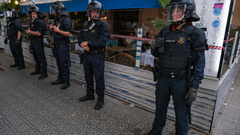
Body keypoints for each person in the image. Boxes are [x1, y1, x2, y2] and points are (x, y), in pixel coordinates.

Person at [145, 0, 208, 135]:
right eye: (172, 10)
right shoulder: (165, 31)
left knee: (181, 113)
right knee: (160, 109)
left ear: (187, 12)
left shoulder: (195, 34)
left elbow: (199, 63)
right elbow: (156, 54)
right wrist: (153, 46)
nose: (173, 14)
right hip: (163, 79)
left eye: (177, 10)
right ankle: (156, 131)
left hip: (181, 81)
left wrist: (194, 87)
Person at [78, 1, 110, 110]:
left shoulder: (103, 25)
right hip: (86, 55)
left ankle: (100, 99)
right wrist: (83, 45)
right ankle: (89, 95)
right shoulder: (86, 24)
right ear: (89, 12)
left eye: (97, 12)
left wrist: (88, 43)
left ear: (100, 13)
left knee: (99, 79)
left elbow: (102, 42)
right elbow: (80, 38)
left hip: (97, 57)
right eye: (93, 12)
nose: (95, 14)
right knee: (88, 77)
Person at [49, 1, 74, 89]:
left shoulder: (66, 20)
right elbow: (56, 31)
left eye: (54, 10)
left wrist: (58, 31)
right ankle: (60, 78)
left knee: (64, 64)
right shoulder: (57, 19)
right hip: (56, 45)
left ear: (58, 10)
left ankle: (66, 82)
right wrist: (52, 28)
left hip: (63, 46)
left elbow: (70, 34)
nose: (52, 12)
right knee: (59, 63)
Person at [27, 6, 48, 79]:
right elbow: (29, 30)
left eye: (34, 13)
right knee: (35, 57)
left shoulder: (40, 22)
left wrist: (30, 32)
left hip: (38, 42)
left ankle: (44, 73)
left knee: (41, 58)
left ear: (38, 14)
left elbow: (39, 33)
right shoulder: (32, 21)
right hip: (32, 42)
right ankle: (38, 70)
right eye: (32, 14)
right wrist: (29, 31)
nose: (33, 15)